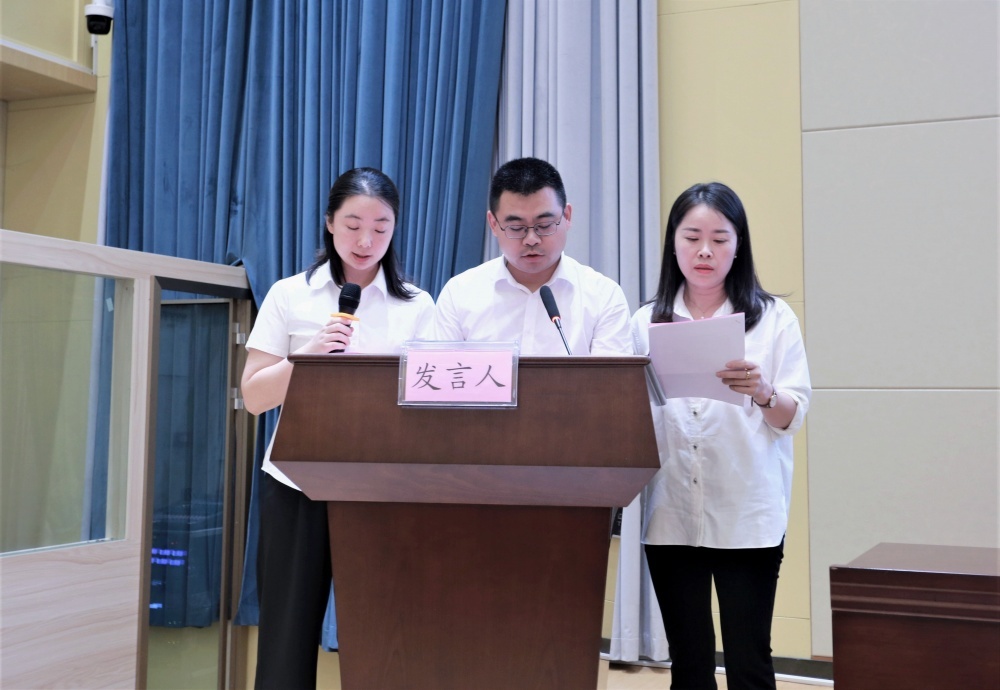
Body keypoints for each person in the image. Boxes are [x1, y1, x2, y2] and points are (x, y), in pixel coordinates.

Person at [240, 167, 434, 689]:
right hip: (295, 482)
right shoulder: (290, 295)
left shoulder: (418, 306)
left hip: (382, 486)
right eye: (352, 225)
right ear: (329, 223)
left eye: (380, 227)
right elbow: (254, 397)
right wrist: (305, 357)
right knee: (286, 635)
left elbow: (429, 402)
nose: (366, 240)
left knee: (384, 634)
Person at [632, 182, 811, 690]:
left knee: (749, 661)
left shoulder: (773, 319)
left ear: (739, 245)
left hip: (747, 514)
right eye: (692, 237)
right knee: (688, 664)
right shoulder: (645, 321)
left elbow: (792, 415)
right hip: (671, 512)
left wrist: (763, 391)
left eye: (719, 238)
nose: (705, 251)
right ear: (673, 244)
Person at [434, 156, 631, 355]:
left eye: (544, 225)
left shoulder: (603, 297)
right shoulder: (459, 294)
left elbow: (610, 375)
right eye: (516, 227)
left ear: (567, 217)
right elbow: (442, 371)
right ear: (493, 224)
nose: (531, 239)